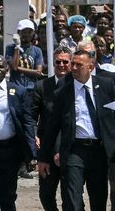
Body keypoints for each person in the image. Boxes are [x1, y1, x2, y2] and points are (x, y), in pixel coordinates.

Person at [50, 49, 115, 211]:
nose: (74, 68)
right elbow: (52, 125)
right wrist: (44, 156)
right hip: (74, 150)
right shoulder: (63, 90)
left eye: (79, 65)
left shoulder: (106, 84)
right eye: (73, 64)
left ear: (90, 67)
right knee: (73, 200)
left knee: (98, 200)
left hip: (99, 150)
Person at [0, 54, 36, 211]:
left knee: (7, 195)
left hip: (9, 149)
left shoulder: (18, 91)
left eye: (0, 66)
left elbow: (28, 122)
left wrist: (31, 154)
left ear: (7, 69)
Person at [34, 47, 73, 211]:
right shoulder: (42, 86)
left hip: (70, 150)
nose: (62, 65)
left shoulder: (77, 86)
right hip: (48, 150)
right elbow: (31, 115)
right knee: (46, 194)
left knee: (70, 196)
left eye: (66, 61)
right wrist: (33, 135)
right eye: (58, 62)